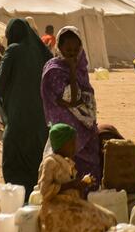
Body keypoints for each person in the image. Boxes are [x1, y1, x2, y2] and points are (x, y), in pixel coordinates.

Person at [37, 123, 115, 232]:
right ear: (63, 144)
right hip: (56, 210)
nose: (75, 147)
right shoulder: (50, 163)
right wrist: (72, 185)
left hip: (71, 205)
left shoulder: (66, 162)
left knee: (107, 216)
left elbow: (71, 185)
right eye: (72, 143)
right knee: (95, 221)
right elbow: (44, 191)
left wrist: (80, 185)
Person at [0, 19, 53, 199]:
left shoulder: (13, 50)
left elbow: (1, 79)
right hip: (40, 117)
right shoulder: (40, 52)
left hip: (19, 116)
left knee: (14, 156)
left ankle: (19, 197)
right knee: (36, 156)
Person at [41, 27, 101, 188]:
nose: (72, 54)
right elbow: (72, 98)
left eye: (76, 49)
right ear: (59, 47)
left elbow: (81, 98)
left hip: (86, 127)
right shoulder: (54, 70)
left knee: (91, 172)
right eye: (68, 50)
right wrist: (72, 71)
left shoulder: (81, 66)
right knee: (68, 167)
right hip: (67, 130)